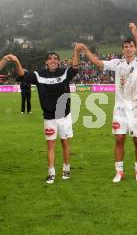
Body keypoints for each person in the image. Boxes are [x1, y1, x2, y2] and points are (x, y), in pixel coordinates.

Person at [77, 22, 137, 183]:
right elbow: (98, 63)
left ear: (134, 48)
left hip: (136, 107)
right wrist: (86, 51)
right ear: (122, 49)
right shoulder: (117, 63)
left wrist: (135, 34)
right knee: (119, 139)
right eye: (126, 46)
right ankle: (119, 172)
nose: (129, 49)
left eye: (131, 46)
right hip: (120, 108)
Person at [4, 48, 80, 184]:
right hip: (49, 117)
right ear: (46, 61)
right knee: (50, 145)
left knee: (65, 144)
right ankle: (51, 173)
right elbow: (22, 75)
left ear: (58, 62)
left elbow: (74, 67)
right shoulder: (39, 75)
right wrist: (16, 61)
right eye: (50, 58)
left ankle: (66, 168)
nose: (53, 60)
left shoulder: (64, 73)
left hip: (64, 116)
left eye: (55, 58)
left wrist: (77, 51)